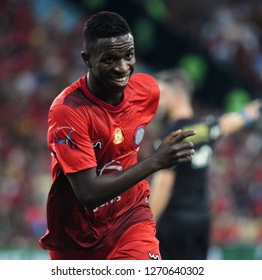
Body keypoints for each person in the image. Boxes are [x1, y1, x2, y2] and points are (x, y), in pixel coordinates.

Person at [38, 11, 195, 260]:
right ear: (87, 59)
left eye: (128, 56)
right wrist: (156, 161)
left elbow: (176, 94)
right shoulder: (68, 112)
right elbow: (88, 193)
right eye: (110, 59)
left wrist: (214, 126)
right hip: (76, 242)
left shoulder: (145, 90)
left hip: (130, 220)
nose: (123, 67)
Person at [149, 68, 262, 260]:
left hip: (174, 222)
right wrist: (246, 115)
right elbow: (226, 124)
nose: (157, 99)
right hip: (201, 219)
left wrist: (146, 225)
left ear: (175, 95)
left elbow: (163, 188)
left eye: (162, 93)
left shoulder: (170, 136)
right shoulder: (204, 127)